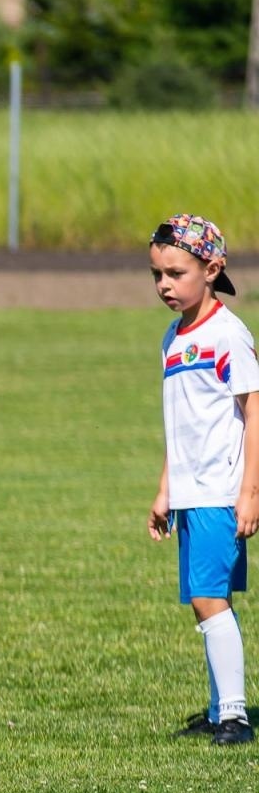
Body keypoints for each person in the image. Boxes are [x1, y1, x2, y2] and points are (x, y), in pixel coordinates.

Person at [148, 215, 259, 746]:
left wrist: (250, 491)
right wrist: (166, 490)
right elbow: (180, 425)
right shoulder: (174, 338)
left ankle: (235, 716)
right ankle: (219, 710)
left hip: (220, 490)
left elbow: (254, 413)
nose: (165, 286)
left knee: (209, 600)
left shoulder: (229, 335)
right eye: (157, 276)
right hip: (190, 494)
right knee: (206, 597)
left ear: (211, 268)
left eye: (175, 272)